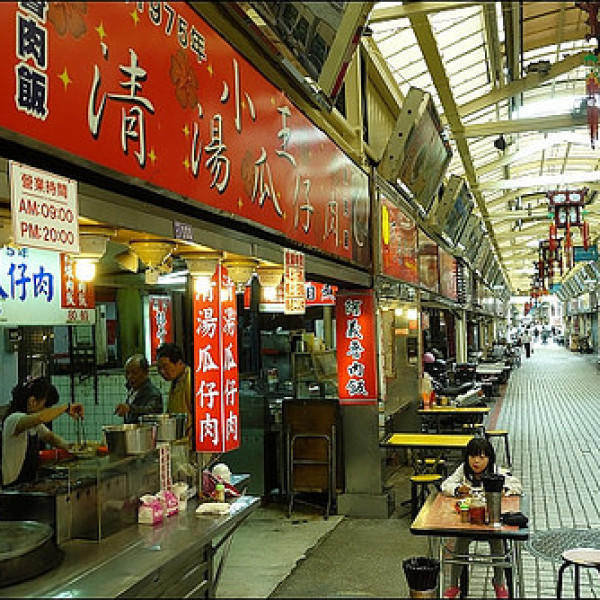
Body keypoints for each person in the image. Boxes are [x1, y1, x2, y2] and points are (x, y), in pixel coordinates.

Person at [440, 437, 522, 599]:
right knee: (460, 544)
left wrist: (504, 489)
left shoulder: (496, 472)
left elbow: (517, 486)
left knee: (498, 544)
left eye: (482, 457)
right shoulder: (463, 470)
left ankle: (498, 582)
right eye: (472, 457)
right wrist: (458, 489)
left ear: (489, 459)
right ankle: (453, 585)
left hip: (491, 521)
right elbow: (445, 485)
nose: (476, 461)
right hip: (469, 520)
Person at [1, 377, 84, 487]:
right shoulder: (14, 418)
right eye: (45, 407)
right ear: (32, 401)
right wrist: (66, 408)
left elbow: (50, 437)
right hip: (12, 486)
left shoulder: (33, 424)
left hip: (27, 483)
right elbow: (41, 417)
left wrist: (73, 449)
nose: (46, 410)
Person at [156, 343, 192, 439]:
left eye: (165, 367)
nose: (162, 372)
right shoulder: (176, 380)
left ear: (179, 363)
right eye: (159, 368)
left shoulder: (190, 380)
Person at [114, 354, 163, 424]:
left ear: (145, 372)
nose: (129, 377)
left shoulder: (153, 393)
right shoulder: (132, 391)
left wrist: (130, 409)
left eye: (134, 373)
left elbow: (152, 411)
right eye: (127, 373)